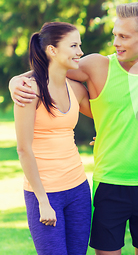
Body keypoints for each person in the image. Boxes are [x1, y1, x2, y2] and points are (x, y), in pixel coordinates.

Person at [10, 3, 138, 255]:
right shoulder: (97, 66)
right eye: (115, 34)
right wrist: (18, 81)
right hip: (108, 184)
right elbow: (52, 67)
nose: (115, 42)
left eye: (123, 36)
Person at [14, 22, 92, 255]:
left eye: (80, 45)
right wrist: (43, 201)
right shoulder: (30, 91)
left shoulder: (77, 90)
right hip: (45, 193)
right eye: (74, 45)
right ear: (52, 50)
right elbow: (23, 150)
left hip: (78, 189)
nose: (80, 52)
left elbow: (108, 117)